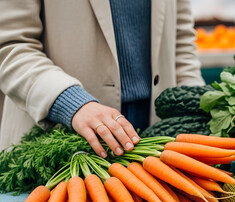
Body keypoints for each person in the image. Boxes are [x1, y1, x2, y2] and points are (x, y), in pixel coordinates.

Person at [0, 0, 205, 157]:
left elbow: (182, 43)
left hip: (160, 133)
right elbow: (11, 46)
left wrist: (200, 112)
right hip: (59, 134)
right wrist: (72, 102)